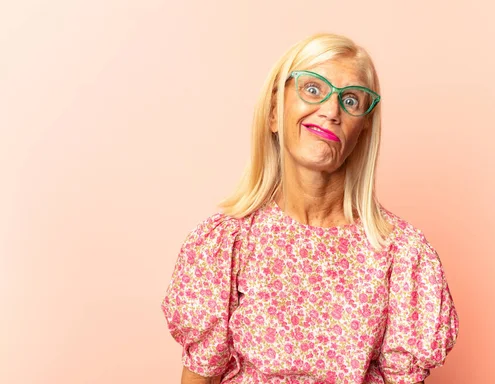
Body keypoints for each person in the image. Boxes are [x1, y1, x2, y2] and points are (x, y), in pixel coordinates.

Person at [161, 33, 459, 384]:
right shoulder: (226, 243)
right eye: (313, 89)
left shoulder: (404, 256)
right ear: (274, 113)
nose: (331, 111)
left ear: (362, 130)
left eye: (350, 100)